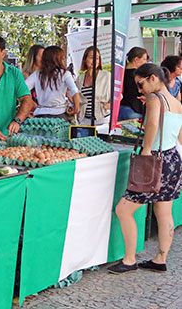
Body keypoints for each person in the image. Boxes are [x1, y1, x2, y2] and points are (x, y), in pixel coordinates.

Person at [109, 63, 182, 273]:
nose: (140, 90)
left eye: (140, 84)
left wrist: (146, 151)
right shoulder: (176, 103)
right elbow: (179, 137)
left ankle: (129, 259)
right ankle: (160, 259)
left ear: (152, 78)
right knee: (164, 211)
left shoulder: (153, 99)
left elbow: (151, 125)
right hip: (173, 160)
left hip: (154, 162)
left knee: (123, 209)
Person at [25, 45, 80, 118]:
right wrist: (76, 107)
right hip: (60, 113)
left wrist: (26, 110)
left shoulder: (37, 74)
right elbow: (74, 90)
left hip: (41, 114)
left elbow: (23, 89)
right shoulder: (64, 73)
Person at [76, 46, 112, 125]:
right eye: (92, 57)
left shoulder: (107, 76)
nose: (95, 61)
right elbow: (78, 99)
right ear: (85, 59)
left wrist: (109, 105)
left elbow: (118, 95)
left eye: (97, 58)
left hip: (102, 118)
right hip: (84, 119)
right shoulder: (80, 78)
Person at [118, 47, 149, 120]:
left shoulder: (120, 73)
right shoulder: (139, 76)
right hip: (135, 109)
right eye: (144, 59)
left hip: (120, 108)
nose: (146, 62)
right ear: (136, 59)